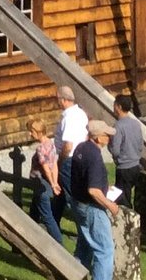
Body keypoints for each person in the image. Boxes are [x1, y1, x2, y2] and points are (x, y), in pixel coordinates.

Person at [71, 119, 119, 280]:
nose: (109, 138)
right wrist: (110, 205)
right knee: (104, 250)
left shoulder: (81, 148)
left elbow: (85, 178)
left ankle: (74, 275)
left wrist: (105, 186)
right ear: (98, 138)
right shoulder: (95, 157)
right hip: (92, 208)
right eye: (107, 135)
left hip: (77, 203)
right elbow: (93, 190)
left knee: (84, 244)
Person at [52, 85, 89, 227]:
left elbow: (68, 145)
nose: (57, 102)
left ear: (63, 100)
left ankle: (83, 230)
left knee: (73, 197)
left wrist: (60, 161)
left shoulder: (68, 117)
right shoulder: (81, 113)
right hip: (80, 157)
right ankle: (53, 221)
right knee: (60, 192)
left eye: (58, 99)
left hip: (69, 160)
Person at [27, 118, 62, 243]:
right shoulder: (51, 143)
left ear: (38, 132)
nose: (30, 134)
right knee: (33, 214)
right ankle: (30, 240)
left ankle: (59, 245)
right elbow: (55, 165)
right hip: (44, 184)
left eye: (31, 131)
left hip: (40, 184)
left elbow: (46, 168)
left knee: (47, 217)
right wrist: (55, 181)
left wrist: (53, 184)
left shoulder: (41, 148)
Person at [109, 95, 144, 206]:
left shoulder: (118, 126)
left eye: (114, 105)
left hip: (124, 168)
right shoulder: (136, 123)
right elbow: (140, 145)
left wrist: (110, 148)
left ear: (119, 107)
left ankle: (128, 221)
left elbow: (115, 150)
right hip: (136, 166)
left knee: (123, 199)